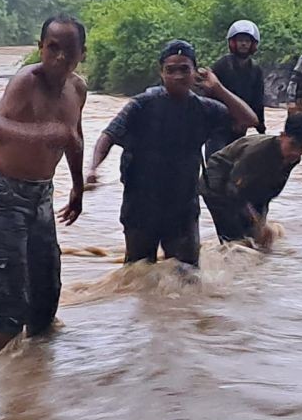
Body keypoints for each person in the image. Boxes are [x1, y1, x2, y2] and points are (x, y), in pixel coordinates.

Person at [86, 40, 257, 267]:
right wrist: (93, 169)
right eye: (171, 70)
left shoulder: (205, 109)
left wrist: (218, 89)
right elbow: (107, 136)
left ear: (195, 72)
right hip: (141, 205)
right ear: (161, 73)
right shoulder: (142, 105)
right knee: (137, 274)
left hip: (183, 207)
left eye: (184, 69)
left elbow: (249, 120)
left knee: (186, 276)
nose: (177, 76)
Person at [0, 15, 88, 356]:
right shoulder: (26, 81)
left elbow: (74, 137)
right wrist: (41, 133)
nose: (59, 58)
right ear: (40, 47)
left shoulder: (77, 89)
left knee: (46, 289)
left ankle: (34, 377)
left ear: (81, 54)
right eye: (52, 48)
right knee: (7, 294)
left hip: (42, 194)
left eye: (68, 51)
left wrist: (78, 186)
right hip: (4, 193)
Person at [200, 114, 302, 247]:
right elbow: (234, 190)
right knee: (235, 241)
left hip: (245, 186)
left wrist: (261, 224)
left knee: (257, 240)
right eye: (293, 145)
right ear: (282, 135)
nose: (296, 152)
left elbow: (267, 194)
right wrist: (256, 220)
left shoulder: (291, 159)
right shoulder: (258, 152)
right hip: (218, 182)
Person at [206, 20, 266, 159]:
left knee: (233, 165)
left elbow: (258, 100)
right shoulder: (222, 65)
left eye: (247, 41)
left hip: (241, 125)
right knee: (215, 162)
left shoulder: (256, 70)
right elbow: (211, 95)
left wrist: (261, 127)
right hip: (220, 126)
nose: (243, 44)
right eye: (240, 40)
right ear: (233, 42)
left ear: (253, 44)